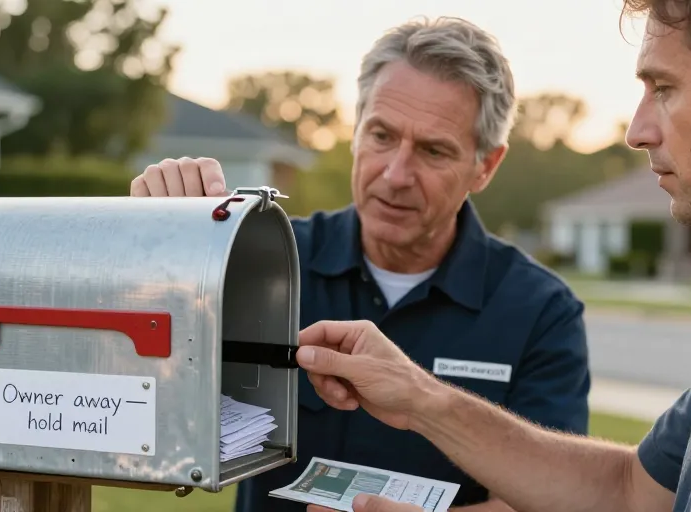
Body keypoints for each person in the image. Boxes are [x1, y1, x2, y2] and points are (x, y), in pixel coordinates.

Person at [296, 1, 691, 511]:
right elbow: (629, 492)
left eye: (664, 88)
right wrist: (420, 398)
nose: (637, 132)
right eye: (382, 136)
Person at [130, 17, 592, 511]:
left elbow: (549, 500)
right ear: (354, 131)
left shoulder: (542, 313)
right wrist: (161, 241)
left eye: (434, 150)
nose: (395, 174)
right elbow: (143, 403)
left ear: (486, 165)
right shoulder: (260, 261)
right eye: (381, 136)